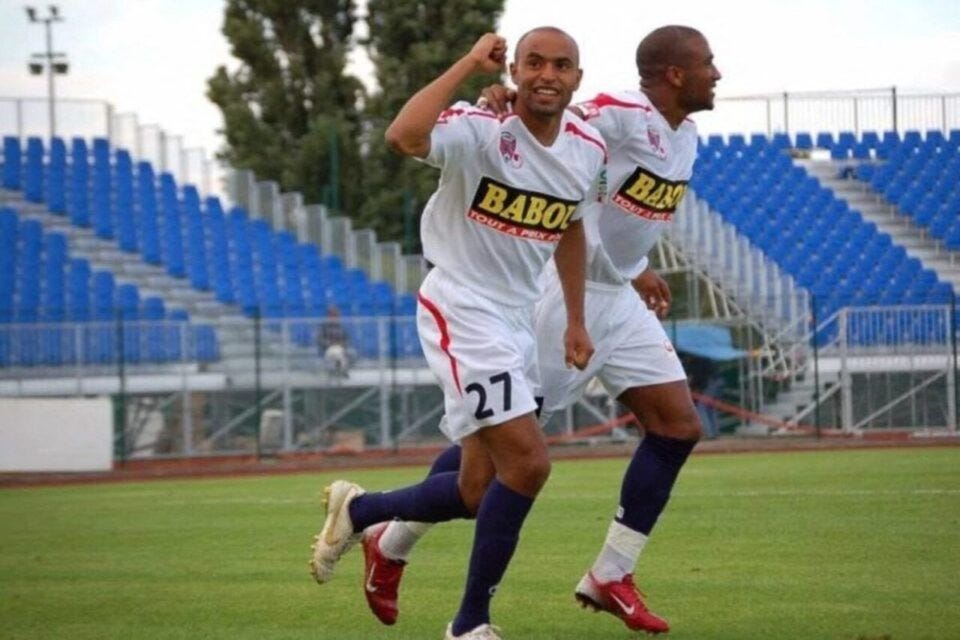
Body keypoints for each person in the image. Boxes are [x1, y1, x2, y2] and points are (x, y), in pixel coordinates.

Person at [360, 25, 722, 635]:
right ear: (677, 74)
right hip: (553, 292)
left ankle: (612, 572)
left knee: (678, 426)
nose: (718, 73)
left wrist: (635, 268)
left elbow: (606, 211)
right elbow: (549, 129)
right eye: (709, 64)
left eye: (560, 65)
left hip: (614, 297)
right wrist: (495, 100)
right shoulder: (621, 114)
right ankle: (392, 540)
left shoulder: (685, 137)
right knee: (504, 454)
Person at [309, 28, 606, 640]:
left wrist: (574, 318)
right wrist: (470, 63)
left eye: (562, 65)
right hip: (462, 308)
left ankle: (361, 512)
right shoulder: (482, 127)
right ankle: (470, 624)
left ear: (578, 78)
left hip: (519, 319)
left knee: (477, 490)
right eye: (534, 63)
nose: (547, 74)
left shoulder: (586, 147)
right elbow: (403, 136)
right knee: (528, 465)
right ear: (517, 72)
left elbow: (571, 227)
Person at [318, 304, 354, 377]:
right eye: (332, 315)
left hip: (340, 347)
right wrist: (330, 343)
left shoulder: (341, 327)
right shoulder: (323, 327)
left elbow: (347, 339)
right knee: (334, 353)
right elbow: (320, 339)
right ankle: (334, 372)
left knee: (351, 353)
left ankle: (342, 371)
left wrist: (342, 344)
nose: (334, 317)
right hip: (328, 349)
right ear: (328, 316)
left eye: (336, 315)